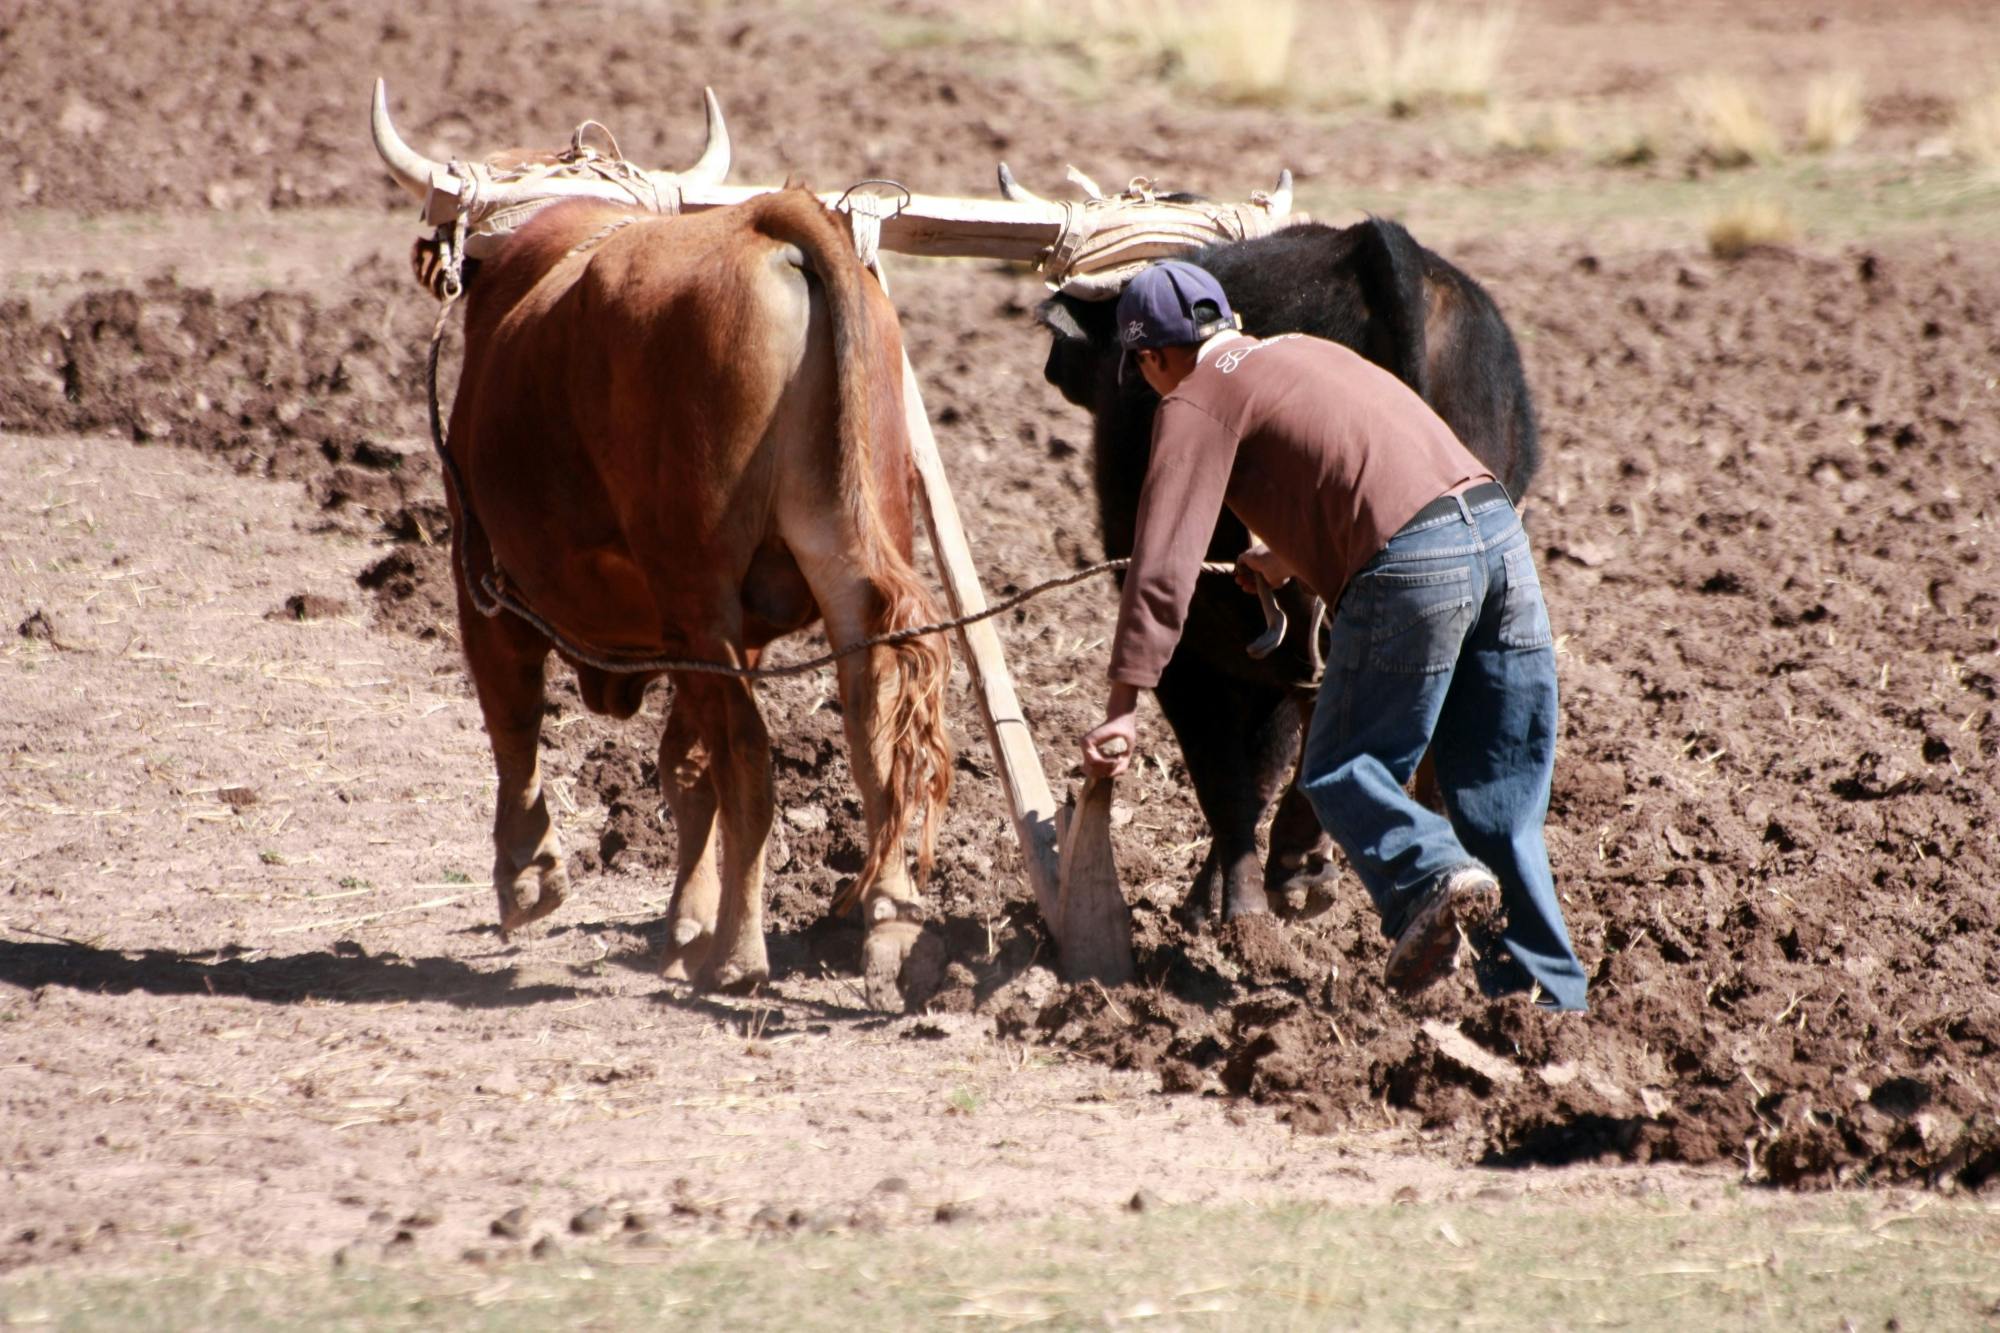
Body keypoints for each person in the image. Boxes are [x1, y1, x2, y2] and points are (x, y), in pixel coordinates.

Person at [1080, 260, 1587, 1010]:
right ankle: (1546, 1003)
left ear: (1154, 356)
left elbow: (1161, 567)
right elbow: (1369, 463)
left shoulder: (1194, 395)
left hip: (1416, 565)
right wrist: (1282, 559)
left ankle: (1430, 876)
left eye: (1145, 370)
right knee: (1497, 794)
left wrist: (1123, 706)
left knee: (1342, 766)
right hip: (1500, 542)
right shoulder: (1303, 352)